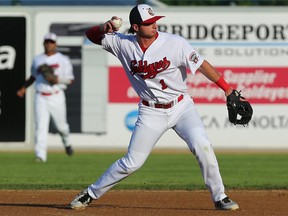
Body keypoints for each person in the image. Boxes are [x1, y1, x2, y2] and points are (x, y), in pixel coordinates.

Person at [70, 4, 240, 211]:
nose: (154, 25)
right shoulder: (122, 43)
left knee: (202, 146)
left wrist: (228, 89)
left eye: (155, 20)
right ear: (135, 27)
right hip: (151, 111)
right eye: (148, 23)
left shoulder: (175, 43)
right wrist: (102, 28)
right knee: (132, 162)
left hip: (181, 106)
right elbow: (91, 36)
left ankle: (219, 196)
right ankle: (90, 193)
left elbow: (202, 65)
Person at [17, 32, 75, 162]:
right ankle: (40, 155)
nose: (49, 44)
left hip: (56, 96)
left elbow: (71, 80)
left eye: (52, 42)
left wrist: (56, 79)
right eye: (47, 42)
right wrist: (23, 88)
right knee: (40, 126)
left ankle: (67, 143)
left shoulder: (63, 60)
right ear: (44, 43)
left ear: (56, 44)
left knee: (61, 127)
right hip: (40, 96)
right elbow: (33, 76)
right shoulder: (38, 59)